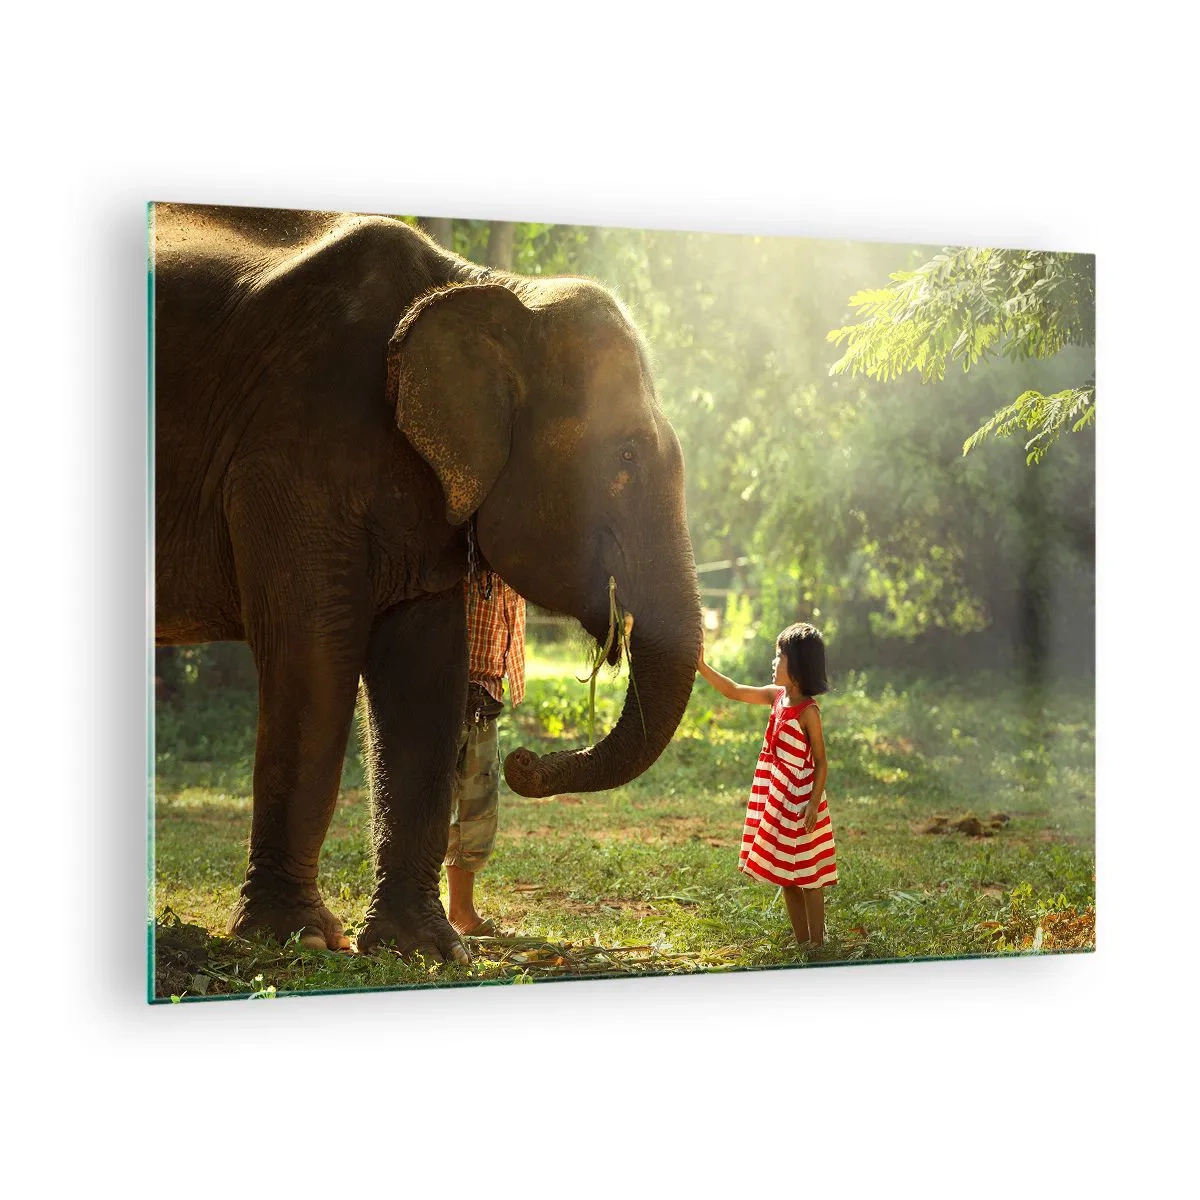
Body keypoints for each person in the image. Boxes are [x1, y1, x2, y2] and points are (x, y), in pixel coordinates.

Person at [696, 623, 835, 947]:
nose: (774, 662)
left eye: (779, 656)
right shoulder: (777, 697)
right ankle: (802, 942)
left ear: (797, 665)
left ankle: (818, 944)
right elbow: (733, 690)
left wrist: (813, 803)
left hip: (801, 802)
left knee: (809, 876)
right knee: (786, 875)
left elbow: (822, 762)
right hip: (777, 797)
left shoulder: (809, 712)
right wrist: (703, 667)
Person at [445, 571, 526, 938]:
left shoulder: (514, 575)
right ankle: (420, 901)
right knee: (434, 804)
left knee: (479, 807)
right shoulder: (460, 564)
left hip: (487, 699)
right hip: (445, 693)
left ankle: (461, 911)